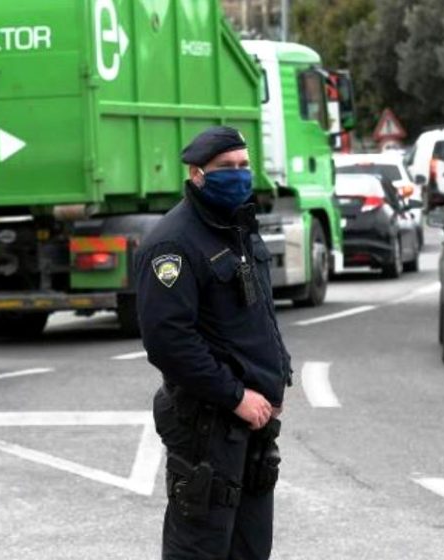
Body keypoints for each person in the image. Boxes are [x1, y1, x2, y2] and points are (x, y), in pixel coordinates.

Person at [135, 126, 292, 560]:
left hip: (252, 425)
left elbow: (259, 317)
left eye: (244, 166)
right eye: (226, 168)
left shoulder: (237, 228)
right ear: (197, 173)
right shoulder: (173, 244)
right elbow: (169, 342)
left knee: (249, 548)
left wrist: (279, 379)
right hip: (206, 422)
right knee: (200, 549)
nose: (238, 175)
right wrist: (237, 395)